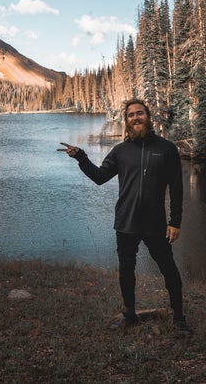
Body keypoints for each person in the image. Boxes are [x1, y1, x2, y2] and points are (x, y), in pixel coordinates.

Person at [58, 98, 191, 336]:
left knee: (169, 270)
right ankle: (129, 314)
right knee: (126, 271)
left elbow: (177, 188)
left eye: (140, 113)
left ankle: (179, 317)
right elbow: (100, 177)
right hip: (126, 223)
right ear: (127, 121)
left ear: (148, 116)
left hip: (155, 223)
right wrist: (81, 157)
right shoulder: (120, 151)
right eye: (131, 115)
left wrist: (175, 222)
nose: (136, 118)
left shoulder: (166, 148)